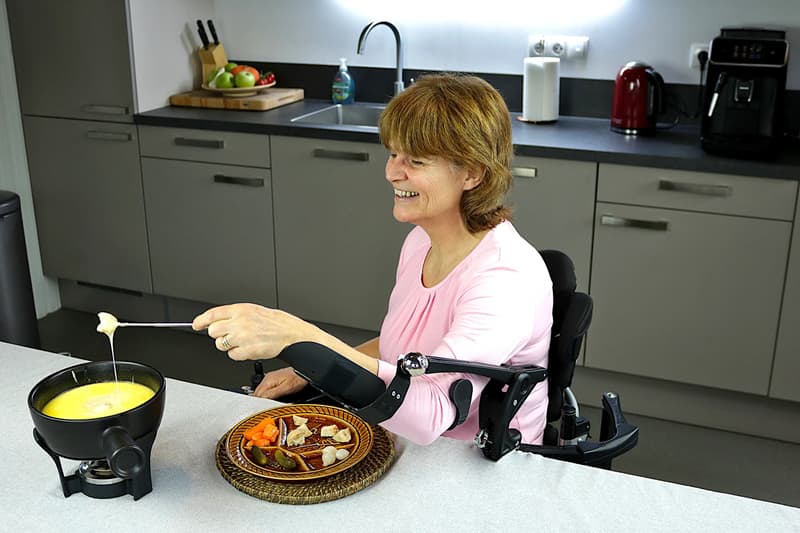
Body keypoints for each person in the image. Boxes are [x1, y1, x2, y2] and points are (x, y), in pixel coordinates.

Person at [192, 73, 553, 445]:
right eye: (393, 153)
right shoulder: (420, 241)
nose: (392, 172)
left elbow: (431, 414)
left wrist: (300, 339)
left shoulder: (504, 280)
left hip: (479, 465)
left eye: (416, 160)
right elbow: (403, 347)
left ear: (473, 173)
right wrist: (310, 370)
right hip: (404, 436)